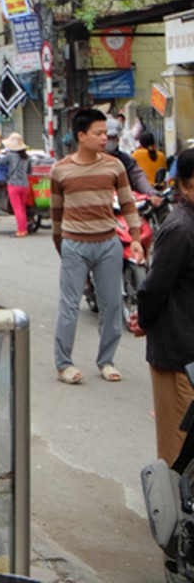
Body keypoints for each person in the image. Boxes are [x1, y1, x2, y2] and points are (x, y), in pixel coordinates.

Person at [50, 108, 143, 385]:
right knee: (68, 306)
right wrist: (61, 244)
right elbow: (56, 213)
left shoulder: (114, 166)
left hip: (108, 244)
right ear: (81, 135)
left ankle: (106, 361)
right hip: (74, 244)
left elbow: (127, 203)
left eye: (107, 133)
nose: (106, 138)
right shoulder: (60, 170)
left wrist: (135, 237)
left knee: (112, 304)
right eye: (99, 133)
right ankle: (63, 364)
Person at [138, 148, 194, 466]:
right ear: (183, 186)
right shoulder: (180, 229)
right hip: (180, 355)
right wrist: (144, 320)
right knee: (179, 448)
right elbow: (154, 289)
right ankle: (173, 513)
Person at [106, 117, 163, 208]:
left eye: (115, 138)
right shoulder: (88, 160)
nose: (112, 141)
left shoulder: (125, 159)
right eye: (109, 138)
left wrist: (151, 193)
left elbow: (137, 175)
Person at [0, 132, 32, 237]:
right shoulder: (27, 158)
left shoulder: (11, 156)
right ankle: (24, 229)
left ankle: (21, 231)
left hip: (14, 185)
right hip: (25, 185)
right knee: (22, 208)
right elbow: (29, 171)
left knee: (17, 208)